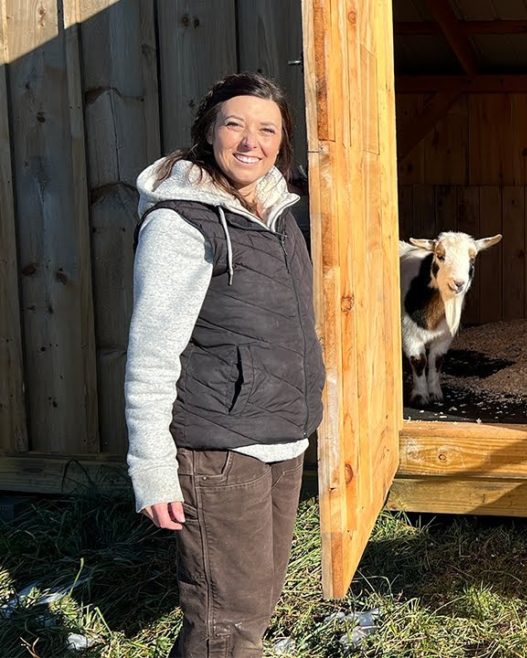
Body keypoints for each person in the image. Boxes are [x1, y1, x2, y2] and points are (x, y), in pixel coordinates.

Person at [125, 72, 324, 657]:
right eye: (234, 124)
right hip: (219, 449)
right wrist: (152, 466)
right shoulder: (180, 223)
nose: (250, 141)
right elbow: (151, 353)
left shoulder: (280, 213)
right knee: (225, 622)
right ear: (209, 131)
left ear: (282, 142)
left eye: (267, 129)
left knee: (253, 607)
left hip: (282, 438)